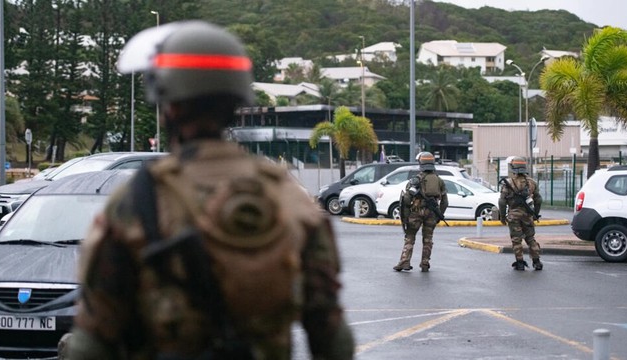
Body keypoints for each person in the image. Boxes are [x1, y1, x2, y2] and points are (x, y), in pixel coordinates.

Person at [63, 20, 354, 360]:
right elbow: (331, 334)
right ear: (235, 100)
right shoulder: (288, 197)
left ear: (169, 104)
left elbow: (93, 338)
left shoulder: (138, 200)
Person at [393, 152, 448, 273]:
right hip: (432, 213)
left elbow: (406, 200)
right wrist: (439, 215)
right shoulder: (439, 181)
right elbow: (445, 202)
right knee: (428, 239)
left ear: (421, 163)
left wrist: (406, 217)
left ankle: (405, 262)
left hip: (416, 213)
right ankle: (425, 263)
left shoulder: (416, 180)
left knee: (410, 237)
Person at [498, 156, 544, 271]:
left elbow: (502, 202)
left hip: (513, 216)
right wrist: (535, 214)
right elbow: (538, 200)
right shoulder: (532, 183)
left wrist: (502, 216)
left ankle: (520, 263)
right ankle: (537, 261)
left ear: (513, 168)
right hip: (528, 216)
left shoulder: (508, 183)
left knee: (516, 240)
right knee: (530, 238)